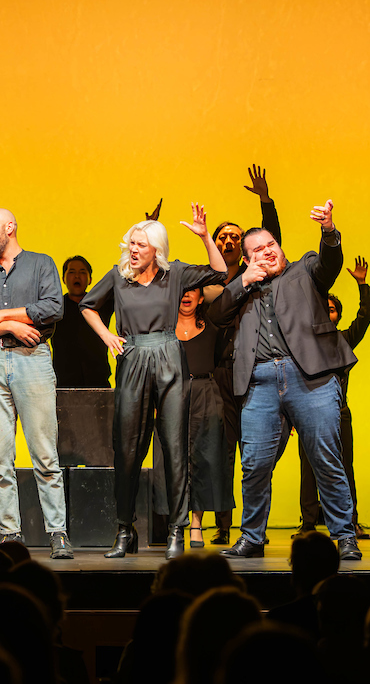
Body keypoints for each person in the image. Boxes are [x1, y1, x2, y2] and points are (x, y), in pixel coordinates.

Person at [212, 200, 362, 561]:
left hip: (309, 377)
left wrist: (328, 230)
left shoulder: (304, 269)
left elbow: (330, 264)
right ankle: (252, 537)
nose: (268, 252)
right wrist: (243, 282)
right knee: (255, 464)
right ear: (247, 260)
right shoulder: (242, 287)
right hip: (260, 382)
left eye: (271, 246)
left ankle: (344, 535)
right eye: (258, 251)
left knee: (326, 459)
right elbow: (215, 315)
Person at [80, 204, 226, 560]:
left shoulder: (174, 274)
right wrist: (107, 337)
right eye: (131, 242)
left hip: (169, 354)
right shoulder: (118, 275)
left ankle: (177, 530)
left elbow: (220, 273)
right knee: (127, 449)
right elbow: (87, 305)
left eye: (140, 244)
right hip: (133, 358)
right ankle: (124, 529)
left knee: (175, 446)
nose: (133, 249)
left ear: (156, 250)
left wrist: (206, 237)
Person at [0, 208, 72, 558]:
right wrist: (11, 325)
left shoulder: (41, 264)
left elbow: (52, 308)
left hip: (33, 359)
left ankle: (58, 532)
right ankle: (11, 535)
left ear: (8, 228)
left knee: (44, 453)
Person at [197, 164, 283, 545]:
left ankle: (251, 522)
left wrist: (266, 202)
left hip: (257, 370)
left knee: (259, 449)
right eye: (224, 237)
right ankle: (225, 525)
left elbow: (272, 244)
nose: (230, 241)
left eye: (236, 236)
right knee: (224, 449)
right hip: (221, 372)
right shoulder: (209, 280)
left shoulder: (259, 271)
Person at [294, 256, 370, 540]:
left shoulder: (343, 340)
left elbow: (365, 317)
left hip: (338, 412)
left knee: (343, 466)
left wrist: (362, 285)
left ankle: (350, 521)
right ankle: (308, 524)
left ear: (337, 316)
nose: (328, 314)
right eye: (323, 309)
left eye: (332, 310)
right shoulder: (301, 344)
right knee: (308, 469)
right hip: (306, 413)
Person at [157, 285, 236, 550]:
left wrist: (199, 283)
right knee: (176, 460)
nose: (186, 295)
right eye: (181, 290)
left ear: (201, 297)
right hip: (172, 392)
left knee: (204, 458)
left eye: (193, 291)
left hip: (205, 392)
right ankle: (176, 523)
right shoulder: (164, 329)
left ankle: (196, 524)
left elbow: (224, 293)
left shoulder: (211, 324)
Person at [52, 256, 114, 387]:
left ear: (90, 279)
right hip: (63, 383)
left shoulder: (102, 305)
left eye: (82, 272)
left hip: (98, 380)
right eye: (72, 272)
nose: (77, 276)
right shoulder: (54, 308)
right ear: (63, 279)